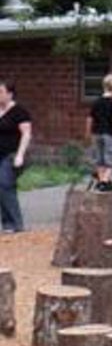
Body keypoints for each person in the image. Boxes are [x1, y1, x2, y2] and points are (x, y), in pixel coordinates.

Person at [0, 80, 31, 234]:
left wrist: (20, 155)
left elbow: (26, 134)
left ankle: (16, 223)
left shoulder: (20, 112)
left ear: (10, 94)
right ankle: (7, 224)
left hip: (12, 154)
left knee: (5, 184)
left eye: (1, 92)